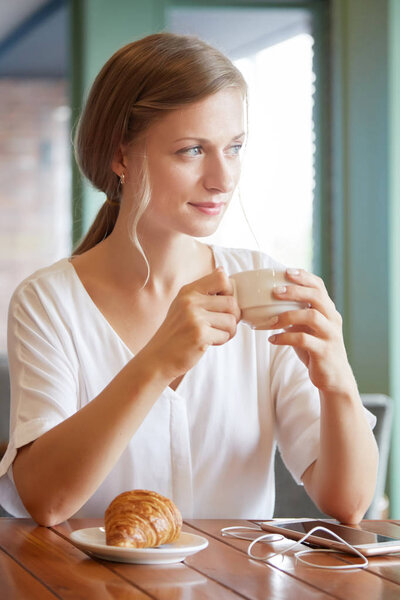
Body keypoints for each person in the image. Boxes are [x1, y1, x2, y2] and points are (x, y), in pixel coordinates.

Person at [0, 33, 377, 527]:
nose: (222, 178)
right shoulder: (49, 302)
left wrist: (338, 380)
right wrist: (157, 360)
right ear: (120, 156)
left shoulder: (262, 286)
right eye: (192, 150)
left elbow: (348, 503)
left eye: (234, 147)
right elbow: (45, 501)